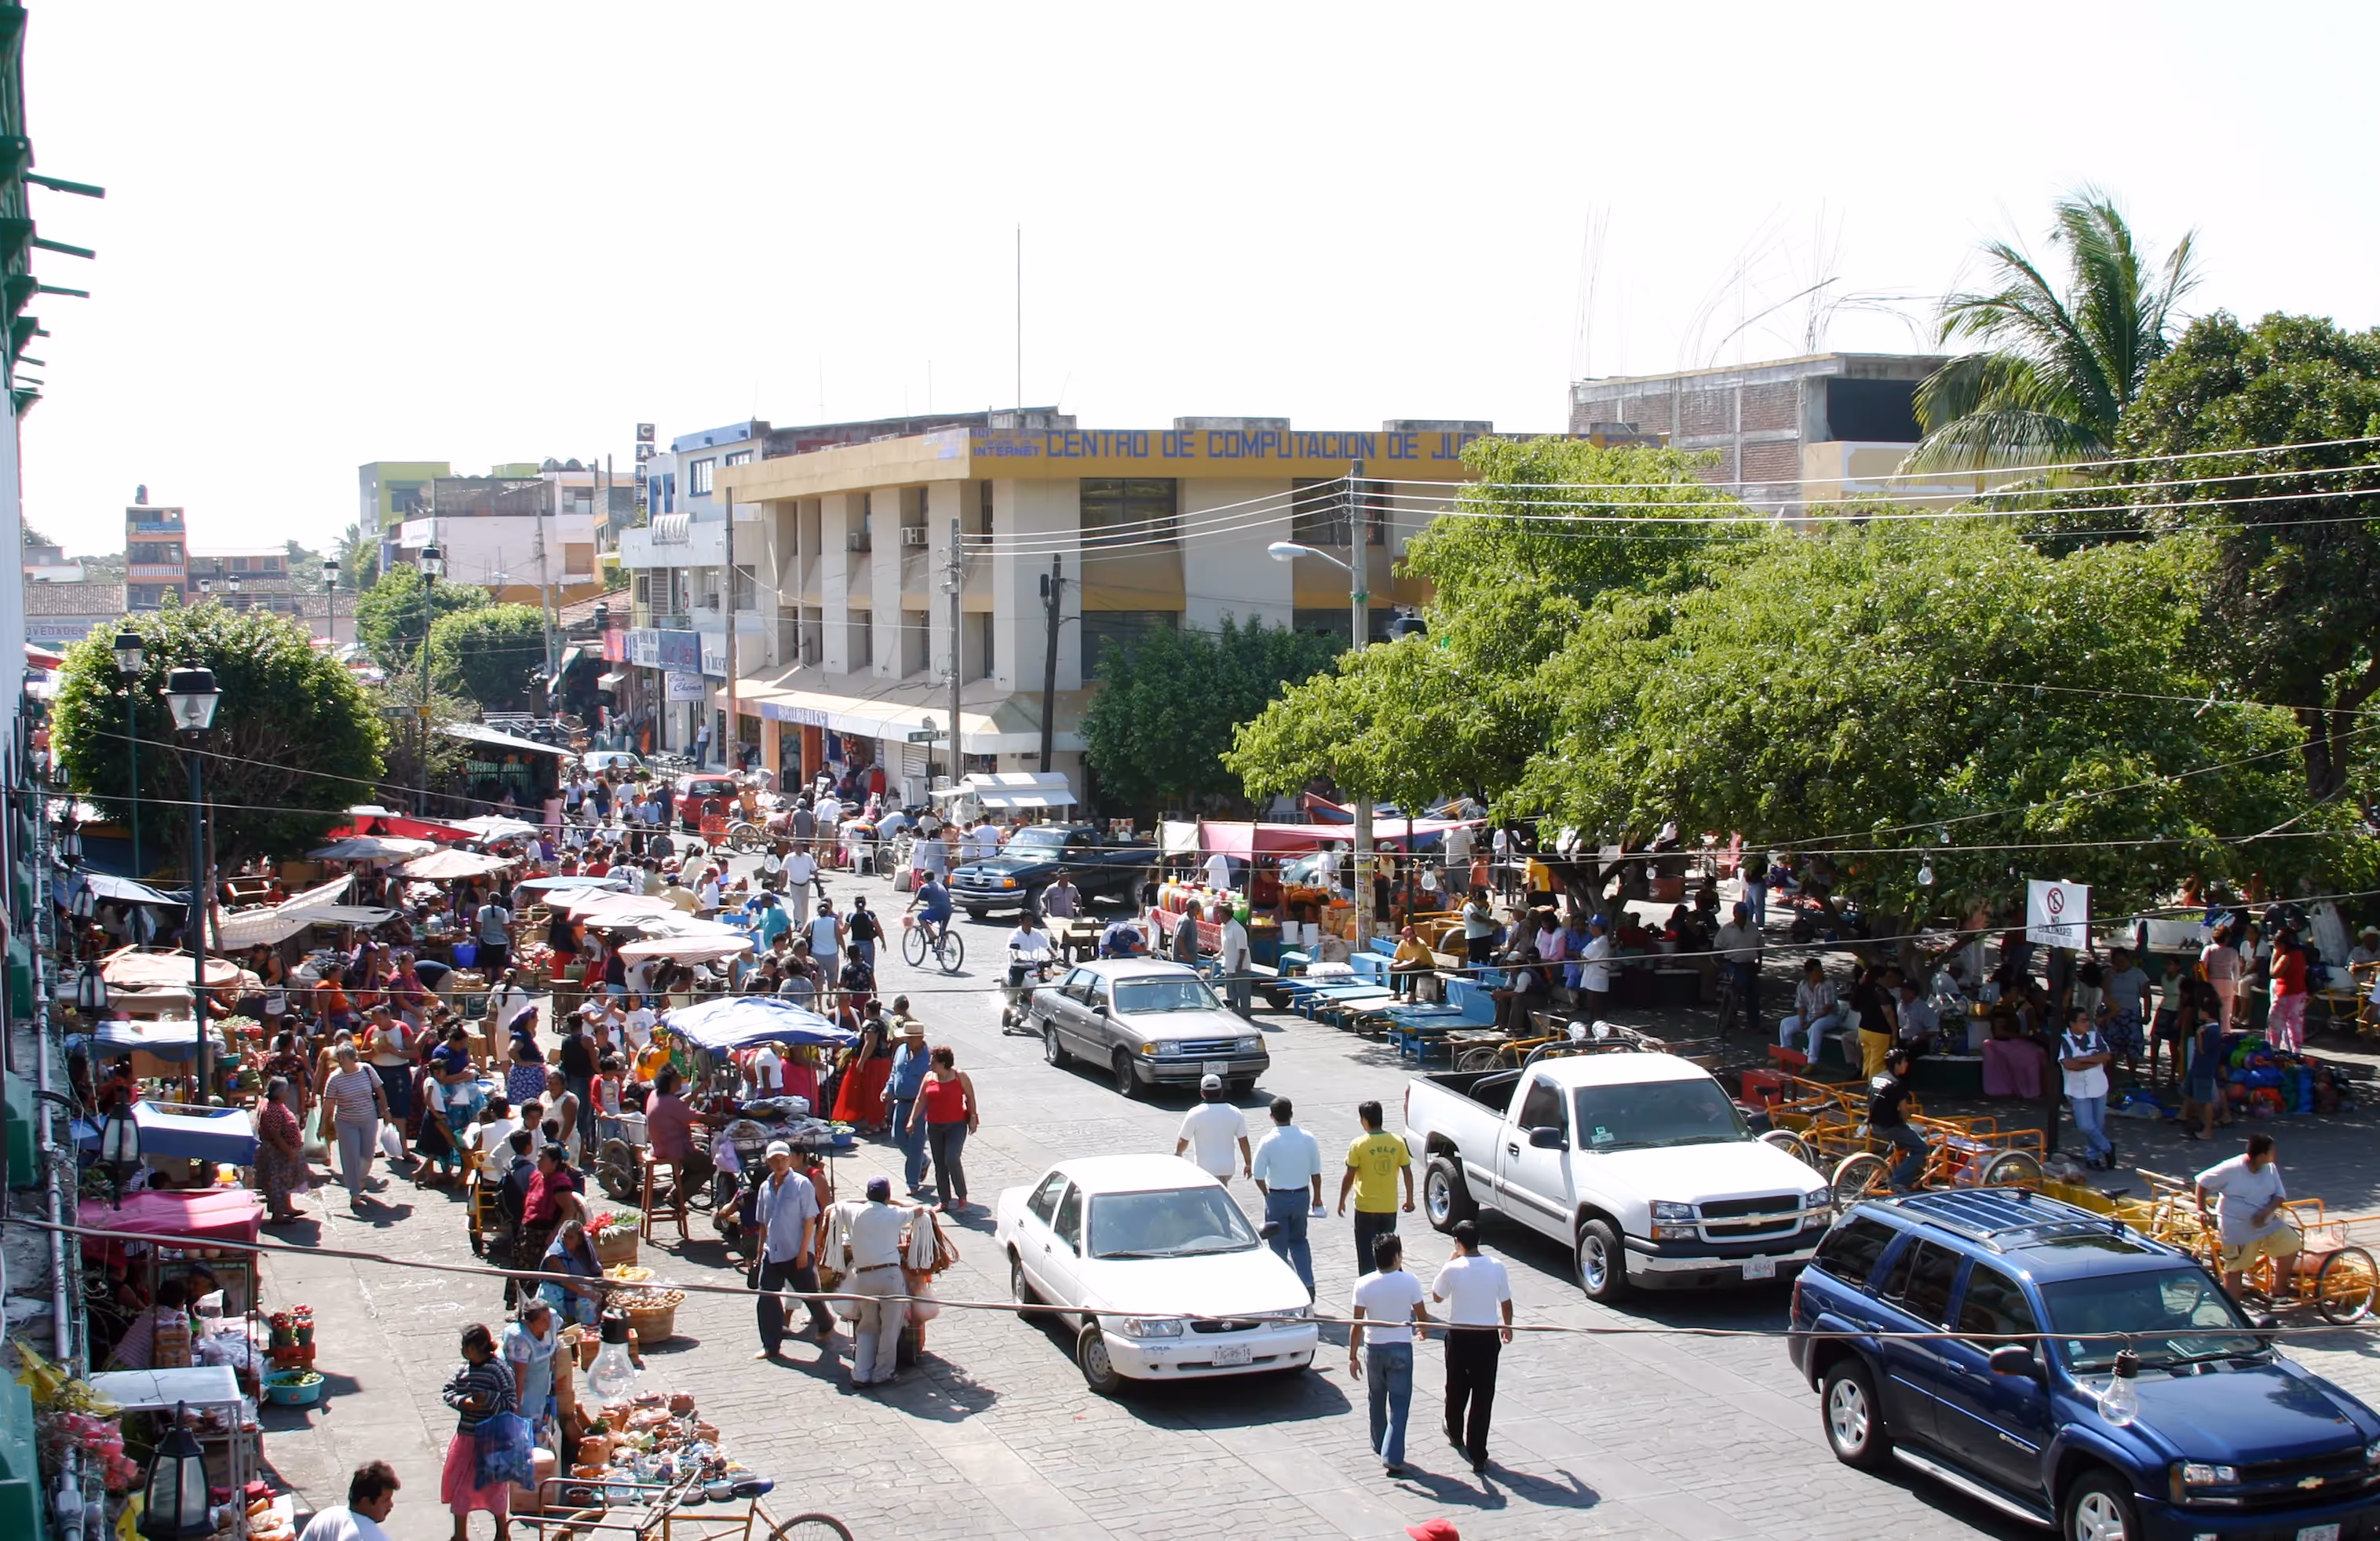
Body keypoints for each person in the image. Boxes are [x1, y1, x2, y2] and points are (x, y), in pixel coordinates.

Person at [1430, 1220, 1513, 1476]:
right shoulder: (1497, 1266)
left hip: (1460, 1336)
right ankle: (1479, 1453)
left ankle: (1455, 1433)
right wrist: (1507, 1326)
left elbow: (1436, 1296)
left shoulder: (1453, 1268)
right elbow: (1506, 1302)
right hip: (1487, 1338)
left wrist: (1449, 1261)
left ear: (1458, 1242)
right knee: (1483, 1395)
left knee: (1455, 1387)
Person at [1349, 1233, 1433, 1477]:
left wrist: (1352, 1356)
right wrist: (1422, 1330)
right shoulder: (1410, 1281)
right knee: (1399, 1404)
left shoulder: (1363, 1284)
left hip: (1373, 1348)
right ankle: (1393, 1456)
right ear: (1396, 1257)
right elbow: (1421, 1314)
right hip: (1400, 1348)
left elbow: (1356, 1323)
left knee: (1376, 1398)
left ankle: (1379, 1443)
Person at [751, 1141, 834, 1359]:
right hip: (773, 1252)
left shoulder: (801, 1184)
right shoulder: (764, 1187)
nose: (779, 1164)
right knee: (767, 1296)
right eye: (775, 1160)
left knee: (809, 1295)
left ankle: (826, 1322)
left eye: (783, 1159)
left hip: (797, 1251)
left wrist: (803, 1252)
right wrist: (760, 1253)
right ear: (768, 1162)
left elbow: (809, 1220)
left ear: (790, 1160)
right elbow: (763, 1223)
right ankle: (771, 1345)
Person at [2196, 1134, 2299, 1302]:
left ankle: (2279, 1288)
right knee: (2235, 1269)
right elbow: (2202, 1182)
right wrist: (2201, 1210)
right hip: (2237, 1225)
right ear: (2261, 1155)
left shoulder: (2270, 1168)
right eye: (2272, 1151)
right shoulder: (2231, 1168)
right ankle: (2234, 1311)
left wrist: (2266, 1212)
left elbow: (2279, 1196)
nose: (2275, 1154)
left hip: (2266, 1222)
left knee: (2292, 1244)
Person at [437, 1324, 516, 1541]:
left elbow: (511, 1403)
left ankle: (502, 1533)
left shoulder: (499, 1370)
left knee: (496, 1488)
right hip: (467, 1440)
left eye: (465, 1345)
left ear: (475, 1347)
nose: (463, 1350)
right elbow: (449, 1391)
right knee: (461, 1486)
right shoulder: (465, 1369)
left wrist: (488, 1400)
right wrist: (465, 1402)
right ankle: (460, 1535)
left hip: (494, 1441)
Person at [838, 1175, 913, 1388]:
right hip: (889, 1276)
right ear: (887, 1196)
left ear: (867, 1195)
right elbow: (918, 1209)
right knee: (890, 1328)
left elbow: (839, 1205)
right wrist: (895, 1202)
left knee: (867, 1325)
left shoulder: (854, 1212)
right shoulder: (894, 1214)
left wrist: (864, 1202)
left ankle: (861, 1374)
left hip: (865, 1277)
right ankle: (882, 1373)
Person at [1251, 1096, 1322, 1298]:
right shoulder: (1308, 1138)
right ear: (1291, 1114)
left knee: (1278, 1246)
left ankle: (1282, 1288)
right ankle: (1307, 1282)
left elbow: (1258, 1175)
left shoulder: (1267, 1141)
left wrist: (1267, 1194)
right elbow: (1316, 1174)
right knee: (1299, 1241)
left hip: (1277, 1197)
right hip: (1301, 1196)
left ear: (1271, 1116)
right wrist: (1317, 1197)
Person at [1339, 1100, 1414, 1276]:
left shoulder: (1358, 1144)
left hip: (1366, 1208)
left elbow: (1349, 1175)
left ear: (1365, 1120)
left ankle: (1369, 1289)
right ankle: (1396, 1284)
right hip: (1389, 1207)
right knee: (1389, 1252)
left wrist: (1342, 1200)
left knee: (1367, 1255)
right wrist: (1410, 1199)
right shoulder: (1397, 1142)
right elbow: (1407, 1172)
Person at [909, 1046, 979, 1212]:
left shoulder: (959, 1076)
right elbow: (921, 1100)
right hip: (934, 1126)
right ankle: (944, 1200)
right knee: (940, 1164)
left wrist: (973, 1117)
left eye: (933, 1061)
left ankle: (962, 1196)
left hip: (956, 1125)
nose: (930, 1064)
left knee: (952, 1158)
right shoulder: (929, 1077)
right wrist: (912, 1120)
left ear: (943, 1063)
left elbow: (970, 1096)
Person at [319, 1043, 389, 1209]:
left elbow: (379, 1089)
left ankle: (360, 1178)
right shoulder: (335, 1078)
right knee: (350, 1156)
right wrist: (323, 1124)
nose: (340, 1061)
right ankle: (354, 1192)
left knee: (367, 1155)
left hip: (368, 1119)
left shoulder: (366, 1070)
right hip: (346, 1122)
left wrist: (386, 1110)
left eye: (343, 1058)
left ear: (353, 1058)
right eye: (339, 1058)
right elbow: (328, 1103)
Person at [644, 1072, 715, 1213]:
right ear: (670, 1083)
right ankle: (678, 1198)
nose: (680, 1084)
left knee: (695, 1164)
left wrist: (700, 1089)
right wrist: (723, 1120)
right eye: (677, 1081)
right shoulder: (668, 1101)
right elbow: (696, 1116)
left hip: (660, 1146)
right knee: (709, 1165)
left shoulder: (656, 1095)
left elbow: (681, 1104)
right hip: (673, 1148)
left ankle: (674, 1194)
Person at [499, 1301, 561, 1452]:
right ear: (529, 1323)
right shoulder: (520, 1339)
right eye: (543, 1320)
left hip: (542, 1381)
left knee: (542, 1418)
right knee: (525, 1425)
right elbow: (519, 1376)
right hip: (525, 1388)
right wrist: (516, 1405)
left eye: (548, 1318)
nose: (548, 1323)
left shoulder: (552, 1319)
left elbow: (553, 1349)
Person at [883, 1016, 933, 1196]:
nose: (907, 1041)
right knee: (897, 1137)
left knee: (916, 1143)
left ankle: (912, 1182)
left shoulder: (928, 1058)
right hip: (901, 1102)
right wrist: (888, 1089)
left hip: (919, 1105)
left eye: (910, 1038)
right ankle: (922, 1161)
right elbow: (894, 1073)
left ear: (920, 1038)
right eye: (906, 1038)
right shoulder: (901, 1050)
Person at [1175, 1073, 1252, 1185]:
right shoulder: (1235, 1112)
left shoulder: (1195, 1113)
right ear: (1221, 1092)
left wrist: (1178, 1155)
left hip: (1204, 1169)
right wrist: (1248, 1163)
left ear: (1202, 1093)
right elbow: (1243, 1141)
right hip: (1227, 1169)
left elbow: (1183, 1141)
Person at [1870, 1047, 1927, 1193]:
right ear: (1897, 1064)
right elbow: (1903, 1110)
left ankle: (1899, 1178)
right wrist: (1910, 1119)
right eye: (1904, 1062)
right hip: (1890, 1126)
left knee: (1901, 1142)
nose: (1906, 1064)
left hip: (1874, 1124)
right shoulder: (1897, 1084)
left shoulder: (1877, 1078)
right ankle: (1898, 1180)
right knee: (1921, 1148)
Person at [298, 1462, 402, 1541]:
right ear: (365, 1502)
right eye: (386, 1500)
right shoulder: (369, 1536)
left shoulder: (326, 1515)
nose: (391, 1505)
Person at [255, 1076, 308, 1225]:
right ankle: (278, 1215)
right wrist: (288, 1151)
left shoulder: (278, 1105)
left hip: (283, 1151)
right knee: (277, 1183)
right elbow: (275, 1135)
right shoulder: (271, 1109)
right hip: (276, 1153)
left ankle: (288, 1208)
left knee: (285, 1181)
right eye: (285, 1091)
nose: (288, 1093)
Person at [1778, 959, 1842, 1061]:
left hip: (1829, 1017)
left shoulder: (1828, 984)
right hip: (1810, 1015)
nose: (1821, 973)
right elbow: (1801, 1005)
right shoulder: (1803, 985)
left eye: (1821, 970)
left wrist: (1810, 1022)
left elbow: (1827, 1008)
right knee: (1785, 1023)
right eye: (1817, 971)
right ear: (1810, 973)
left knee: (1815, 1027)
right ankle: (1785, 1054)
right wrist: (1801, 1020)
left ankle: (1812, 1061)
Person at [1713, 901, 1761, 1035]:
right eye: (1741, 914)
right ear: (1735, 914)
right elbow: (1717, 947)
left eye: (1745, 914)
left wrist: (1760, 963)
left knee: (1754, 992)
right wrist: (1721, 964)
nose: (1743, 917)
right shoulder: (1727, 930)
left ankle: (1754, 1024)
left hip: (1750, 964)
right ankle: (1729, 1019)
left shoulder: (1753, 927)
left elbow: (1760, 946)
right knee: (1740, 985)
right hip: (1734, 964)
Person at [2268, 929, 2309, 1054]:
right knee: (2295, 1025)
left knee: (2275, 1025)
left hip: (2285, 995)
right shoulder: (2299, 955)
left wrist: (2275, 956)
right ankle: (2296, 1052)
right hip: (2300, 994)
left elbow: (2273, 973)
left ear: (2282, 945)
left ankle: (2272, 1051)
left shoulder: (2286, 958)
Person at [1005, 914, 1056, 992]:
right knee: (1014, 989)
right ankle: (1011, 1003)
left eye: (1031, 920)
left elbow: (1047, 946)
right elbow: (1013, 950)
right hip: (1019, 967)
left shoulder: (1037, 933)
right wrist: (1017, 958)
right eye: (1028, 920)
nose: (1030, 923)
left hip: (1034, 966)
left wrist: (1056, 955)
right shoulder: (1015, 935)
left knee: (1046, 982)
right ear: (1021, 922)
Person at [1218, 904, 1254, 1017]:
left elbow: (1242, 948)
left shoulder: (1238, 929)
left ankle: (1245, 1014)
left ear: (1227, 915)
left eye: (1221, 914)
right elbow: (1225, 945)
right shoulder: (1224, 928)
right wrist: (1219, 954)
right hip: (1229, 964)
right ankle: (1234, 1014)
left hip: (1240, 966)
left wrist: (1240, 964)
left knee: (1243, 992)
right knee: (1231, 992)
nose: (1219, 916)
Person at [1389, 926, 1436, 1002]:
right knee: (1395, 969)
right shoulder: (1402, 944)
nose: (1413, 940)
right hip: (1413, 965)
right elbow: (1399, 959)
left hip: (1427, 967)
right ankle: (1396, 993)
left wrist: (1398, 967)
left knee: (1413, 969)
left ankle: (1412, 995)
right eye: (1410, 939)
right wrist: (1393, 965)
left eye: (1414, 937)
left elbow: (1415, 962)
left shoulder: (1421, 945)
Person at [1459, 888, 1498, 971]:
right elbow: (1474, 917)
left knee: (1485, 959)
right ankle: (1473, 975)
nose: (1484, 903)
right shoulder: (1468, 907)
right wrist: (1488, 922)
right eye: (1483, 901)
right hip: (1474, 937)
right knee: (1474, 960)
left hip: (1486, 936)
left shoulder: (1483, 908)